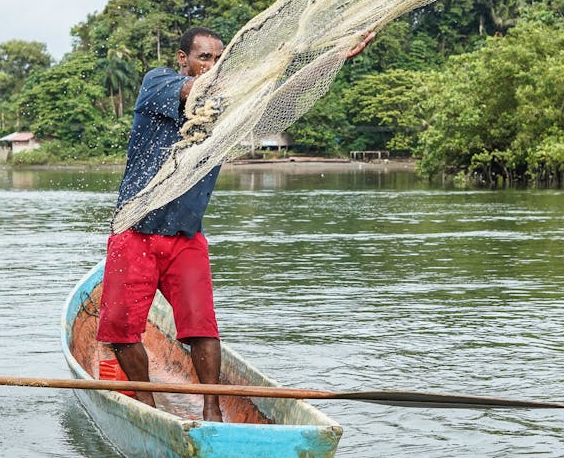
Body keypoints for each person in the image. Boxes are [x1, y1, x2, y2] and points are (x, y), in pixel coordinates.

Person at [97, 26, 376, 422]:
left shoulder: (229, 109)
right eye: (203, 58)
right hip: (135, 231)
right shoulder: (158, 83)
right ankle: (148, 409)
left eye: (217, 59)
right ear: (183, 60)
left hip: (185, 234)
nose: (211, 65)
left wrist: (332, 60)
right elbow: (195, 93)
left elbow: (285, 96)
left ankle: (213, 411)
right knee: (123, 332)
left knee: (201, 327)